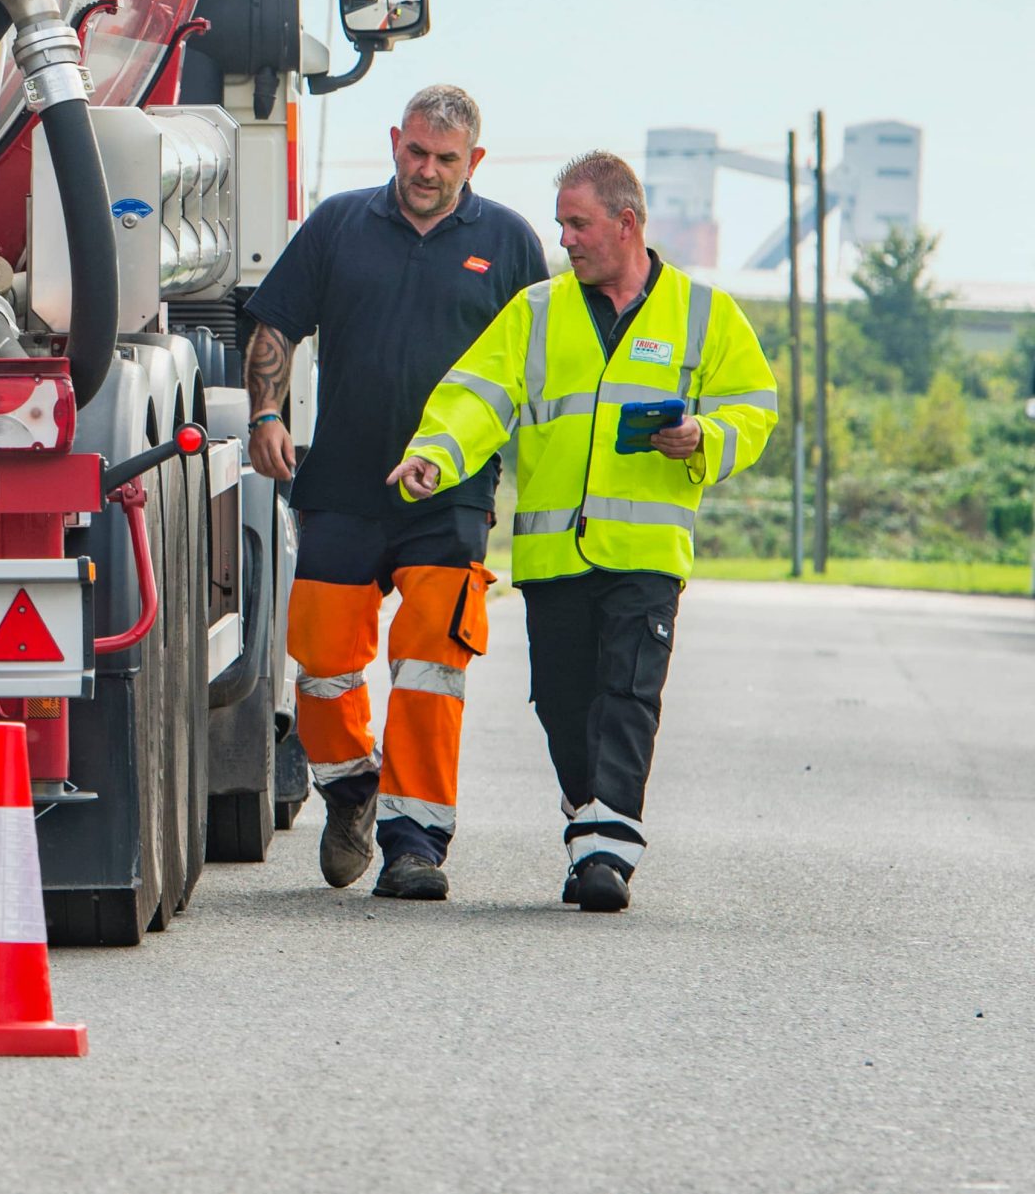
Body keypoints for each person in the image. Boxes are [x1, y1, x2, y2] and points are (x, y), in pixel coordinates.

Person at [389, 151, 777, 912]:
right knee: (565, 703)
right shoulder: (537, 310)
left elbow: (754, 408)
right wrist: (435, 452)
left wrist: (705, 434)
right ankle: (590, 818)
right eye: (561, 221)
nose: (562, 237)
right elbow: (479, 391)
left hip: (645, 553)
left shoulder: (706, 313)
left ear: (626, 224)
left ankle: (606, 853)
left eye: (578, 222)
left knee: (627, 696)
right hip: (554, 553)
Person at [244, 85, 547, 900]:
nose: (428, 169)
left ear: (474, 161)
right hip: (341, 482)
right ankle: (351, 789)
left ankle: (416, 841)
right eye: (416, 151)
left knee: (430, 664)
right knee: (321, 665)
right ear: (394, 142)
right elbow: (275, 323)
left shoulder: (511, 243)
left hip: (450, 495)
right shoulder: (341, 224)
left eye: (447, 158)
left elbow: (542, 373)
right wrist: (267, 411)